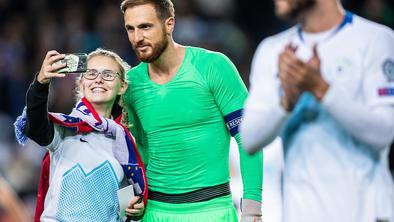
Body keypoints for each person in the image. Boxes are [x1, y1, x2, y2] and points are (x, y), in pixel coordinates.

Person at [240, 0, 394, 221]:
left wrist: (322, 90)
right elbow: (250, 139)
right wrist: (286, 102)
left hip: (365, 214)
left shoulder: (375, 39)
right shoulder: (273, 50)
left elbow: (384, 132)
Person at [119, 0, 263, 221]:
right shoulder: (131, 84)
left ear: (169, 24)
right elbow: (132, 155)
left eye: (146, 26)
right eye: (131, 29)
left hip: (212, 211)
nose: (137, 37)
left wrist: (252, 210)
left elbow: (249, 139)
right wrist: (129, 202)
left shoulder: (213, 66)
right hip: (154, 213)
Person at [14, 48, 147, 221]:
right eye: (91, 74)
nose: (98, 79)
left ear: (122, 86)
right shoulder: (65, 128)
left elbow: (125, 205)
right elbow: (36, 127)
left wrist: (135, 209)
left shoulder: (126, 142)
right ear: (81, 83)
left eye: (108, 75)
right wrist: (41, 83)